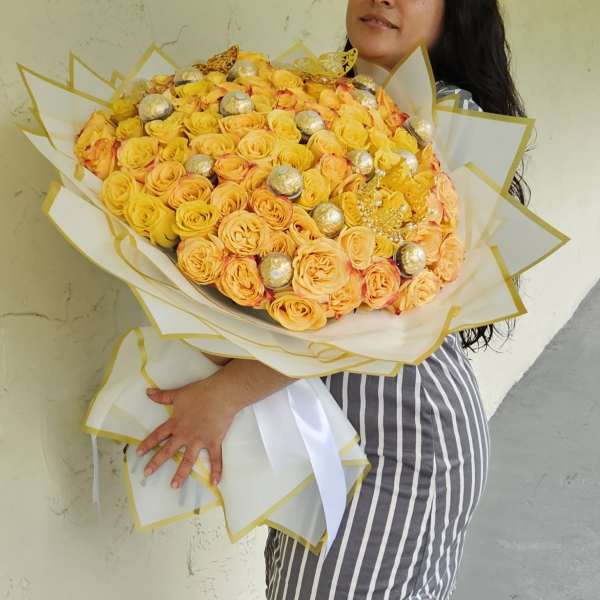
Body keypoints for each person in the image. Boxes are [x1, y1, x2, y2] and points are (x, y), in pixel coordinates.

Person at [136, 0, 529, 597]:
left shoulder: (445, 120)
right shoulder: (330, 100)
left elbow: (367, 308)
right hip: (327, 426)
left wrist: (227, 392)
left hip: (398, 439)